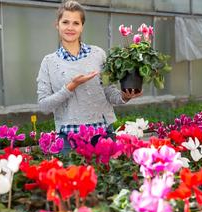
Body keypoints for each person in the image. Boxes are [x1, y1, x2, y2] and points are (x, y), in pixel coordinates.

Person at [37, 0, 142, 153]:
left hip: (102, 133)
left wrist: (125, 97)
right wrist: (71, 87)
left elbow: (109, 91)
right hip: (68, 138)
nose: (70, 27)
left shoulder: (98, 54)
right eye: (65, 22)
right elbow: (44, 106)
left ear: (82, 27)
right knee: (71, 177)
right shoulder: (49, 62)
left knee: (106, 176)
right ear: (57, 25)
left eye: (76, 23)